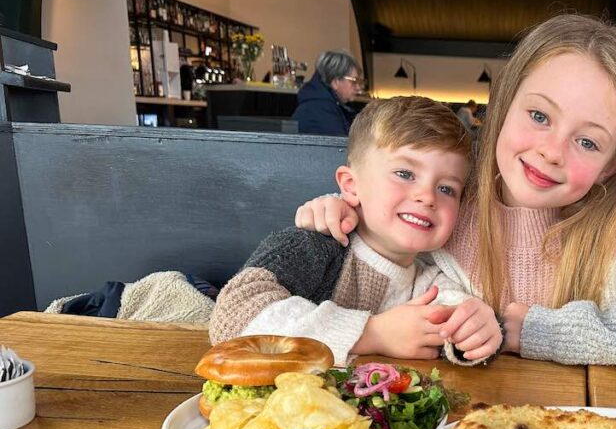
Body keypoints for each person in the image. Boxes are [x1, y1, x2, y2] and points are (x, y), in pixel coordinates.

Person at [294, 14, 616, 382]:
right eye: (539, 115)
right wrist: (340, 207)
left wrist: (545, 332)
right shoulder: (449, 198)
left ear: (615, 164)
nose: (550, 151)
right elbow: (387, 212)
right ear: (502, 102)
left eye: (588, 142)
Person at [210, 96, 502, 363]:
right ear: (351, 185)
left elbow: (454, 316)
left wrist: (474, 330)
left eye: (446, 188)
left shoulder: (431, 277)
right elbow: (233, 315)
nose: (427, 196)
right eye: (405, 174)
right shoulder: (314, 243)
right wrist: (371, 334)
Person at [292, 50, 363, 136]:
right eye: (354, 81)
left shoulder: (323, 105)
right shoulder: (322, 112)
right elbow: (339, 148)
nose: (358, 87)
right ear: (335, 82)